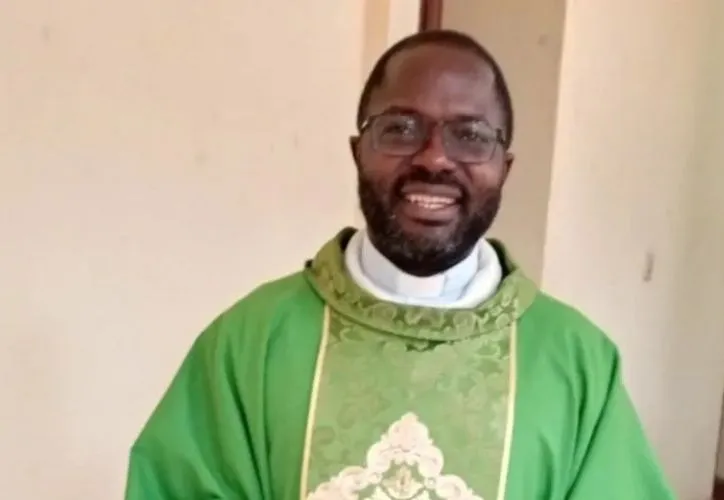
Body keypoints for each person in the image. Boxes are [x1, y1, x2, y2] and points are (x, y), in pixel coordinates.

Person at [125, 29, 675, 500]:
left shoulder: (575, 361)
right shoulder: (251, 342)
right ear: (358, 152)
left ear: (504, 168)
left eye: (470, 136)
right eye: (401, 129)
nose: (434, 157)